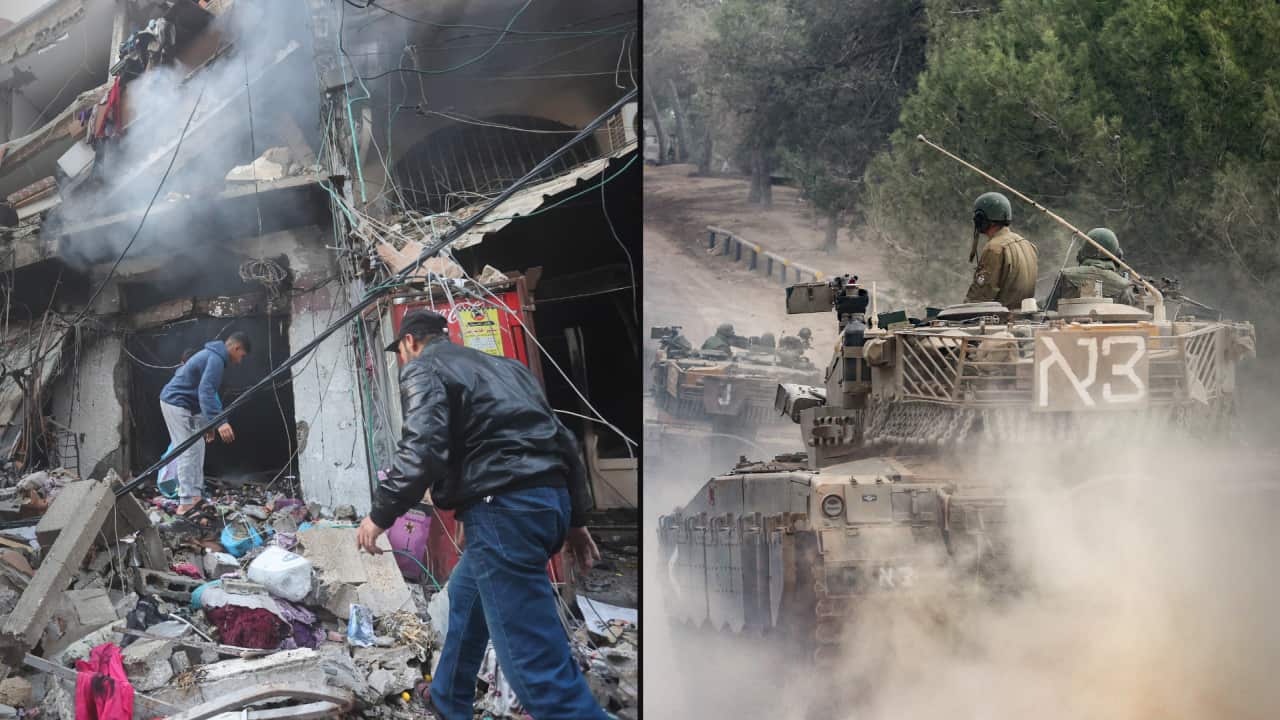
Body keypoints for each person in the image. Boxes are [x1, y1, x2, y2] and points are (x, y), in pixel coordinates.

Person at [355, 310, 607, 720]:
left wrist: (378, 516)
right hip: (547, 503)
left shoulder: (423, 368)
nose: (402, 359)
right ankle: (447, 697)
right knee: (466, 597)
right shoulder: (509, 368)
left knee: (534, 669)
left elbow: (422, 450)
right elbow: (563, 441)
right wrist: (576, 520)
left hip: (505, 511)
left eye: (400, 351)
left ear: (410, 342)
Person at [159, 332, 249, 515]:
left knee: (198, 448)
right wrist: (220, 422)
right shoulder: (216, 359)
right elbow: (206, 391)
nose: (240, 361)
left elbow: (207, 392)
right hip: (175, 403)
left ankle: (195, 496)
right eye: (242, 356)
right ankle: (185, 503)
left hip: (188, 406)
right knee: (187, 450)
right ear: (236, 347)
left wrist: (209, 423)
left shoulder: (214, 357)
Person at [964, 191, 1038, 310]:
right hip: (1025, 315)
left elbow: (981, 296)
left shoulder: (994, 248)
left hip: (1001, 317)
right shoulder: (1027, 244)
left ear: (981, 219)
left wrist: (962, 310)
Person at [1048, 227, 1138, 309]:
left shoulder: (1065, 276)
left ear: (1081, 253)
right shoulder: (1125, 285)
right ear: (1118, 256)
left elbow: (1049, 310)